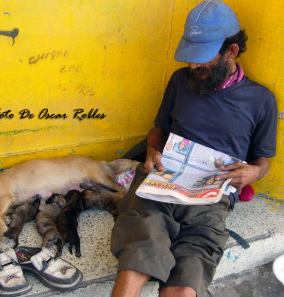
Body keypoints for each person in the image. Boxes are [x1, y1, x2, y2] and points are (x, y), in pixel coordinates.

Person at [110, 1, 277, 297]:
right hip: (164, 177)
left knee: (196, 256)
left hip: (211, 194)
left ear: (232, 52)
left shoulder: (260, 100)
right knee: (143, 233)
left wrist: (253, 172)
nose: (193, 66)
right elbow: (159, 129)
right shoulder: (181, 81)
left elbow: (262, 159)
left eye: (202, 58)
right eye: (190, 57)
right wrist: (151, 151)